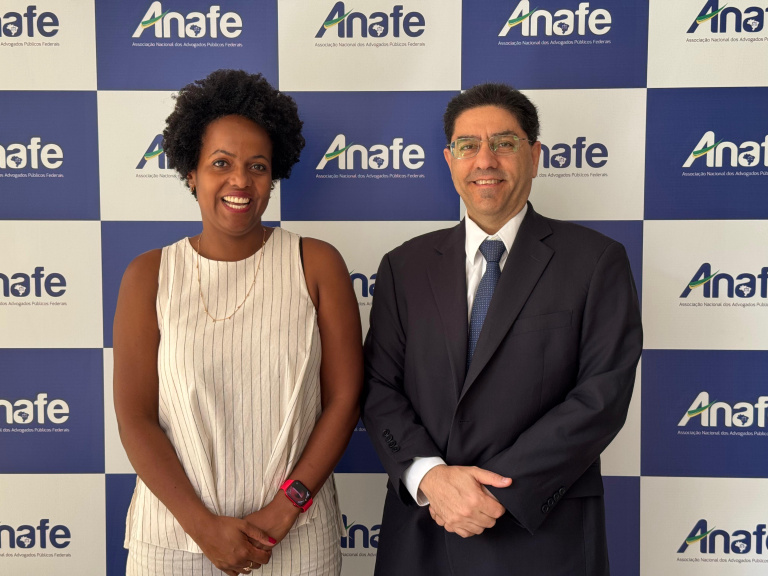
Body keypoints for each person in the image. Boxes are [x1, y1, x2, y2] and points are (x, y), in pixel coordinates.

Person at [361, 83, 642, 575]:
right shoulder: (403, 266)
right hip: (425, 531)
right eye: (468, 145)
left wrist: (491, 492)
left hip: (541, 534)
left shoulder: (597, 261)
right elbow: (379, 385)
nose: (485, 160)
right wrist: (431, 478)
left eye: (504, 143)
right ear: (449, 160)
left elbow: (603, 395)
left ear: (535, 156)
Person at [113, 69, 362, 576]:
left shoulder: (316, 263)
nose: (240, 181)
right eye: (220, 163)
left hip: (296, 540)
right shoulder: (149, 275)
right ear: (191, 172)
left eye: (258, 166)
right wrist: (202, 527)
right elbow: (135, 418)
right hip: (174, 543)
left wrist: (286, 508)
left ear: (274, 175)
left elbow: (344, 399)